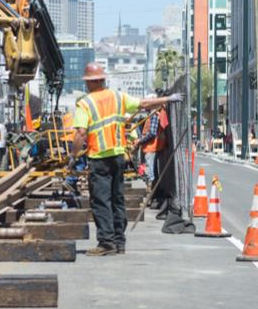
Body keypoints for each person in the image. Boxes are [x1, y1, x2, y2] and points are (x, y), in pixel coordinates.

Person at [72, 63, 182, 256]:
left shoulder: (85, 103)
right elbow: (144, 104)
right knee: (117, 199)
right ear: (102, 80)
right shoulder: (117, 97)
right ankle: (119, 242)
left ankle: (106, 243)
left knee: (101, 201)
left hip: (99, 158)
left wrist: (73, 156)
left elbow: (81, 133)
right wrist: (168, 99)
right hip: (118, 156)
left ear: (91, 82)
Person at [134, 100, 166, 208]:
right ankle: (151, 198)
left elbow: (152, 133)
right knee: (149, 173)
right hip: (149, 148)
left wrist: (140, 141)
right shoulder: (152, 114)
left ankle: (149, 199)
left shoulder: (154, 115)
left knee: (150, 174)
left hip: (150, 148)